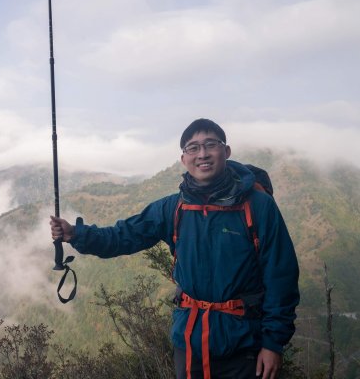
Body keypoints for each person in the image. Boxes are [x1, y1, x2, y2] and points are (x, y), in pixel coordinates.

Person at [50, 118, 299, 379]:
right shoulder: (173, 208)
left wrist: (273, 343)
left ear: (225, 152)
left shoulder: (258, 206)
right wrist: (77, 234)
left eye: (210, 145)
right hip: (189, 342)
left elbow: (281, 276)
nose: (202, 154)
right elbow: (124, 235)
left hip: (244, 344)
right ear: (183, 159)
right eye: (193, 148)